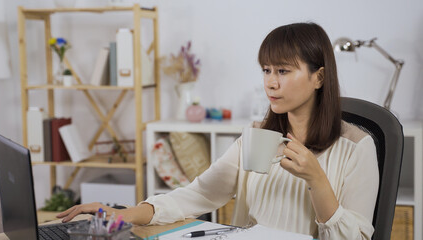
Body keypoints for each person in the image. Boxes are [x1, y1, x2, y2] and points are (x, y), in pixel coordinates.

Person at [57, 22, 379, 239]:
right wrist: (122, 214)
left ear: (318, 78)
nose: (270, 81)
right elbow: (199, 194)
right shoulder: (257, 137)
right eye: (266, 70)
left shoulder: (357, 149)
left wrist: (316, 179)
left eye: (283, 70)